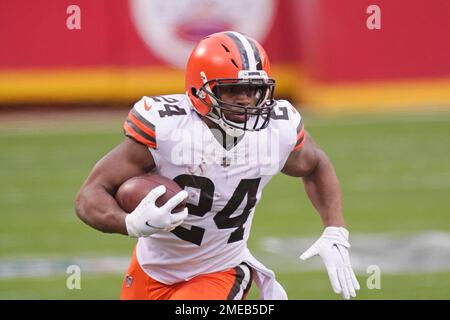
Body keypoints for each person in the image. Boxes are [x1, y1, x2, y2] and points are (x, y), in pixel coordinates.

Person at [75, 31, 360, 300]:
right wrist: (129, 223)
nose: (246, 100)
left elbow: (315, 164)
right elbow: (90, 194)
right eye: (233, 89)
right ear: (199, 90)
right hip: (151, 268)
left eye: (254, 89)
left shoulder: (275, 130)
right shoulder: (168, 129)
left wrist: (335, 228)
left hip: (221, 270)